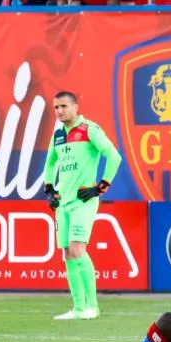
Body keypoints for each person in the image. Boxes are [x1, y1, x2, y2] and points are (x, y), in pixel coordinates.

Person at [43, 91, 123, 321]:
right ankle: (78, 308)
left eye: (64, 106)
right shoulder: (58, 134)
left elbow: (114, 156)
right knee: (67, 253)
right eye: (56, 107)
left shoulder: (89, 129)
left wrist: (100, 187)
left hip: (83, 201)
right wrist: (49, 190)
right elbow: (50, 163)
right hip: (64, 203)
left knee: (78, 249)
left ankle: (93, 307)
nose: (59, 111)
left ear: (75, 107)